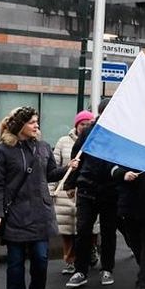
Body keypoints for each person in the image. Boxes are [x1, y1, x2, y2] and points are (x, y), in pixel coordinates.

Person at [0, 107, 66, 289]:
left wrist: (69, 169)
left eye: (37, 122)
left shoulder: (43, 148)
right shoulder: (3, 150)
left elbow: (50, 175)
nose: (37, 126)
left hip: (41, 214)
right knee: (15, 264)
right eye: (32, 122)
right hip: (15, 217)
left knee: (40, 259)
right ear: (20, 125)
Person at [67, 124, 120, 289]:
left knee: (108, 231)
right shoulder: (90, 131)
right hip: (87, 188)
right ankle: (80, 270)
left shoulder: (119, 132)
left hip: (109, 190)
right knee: (82, 230)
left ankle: (107, 268)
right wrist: (70, 182)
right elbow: (77, 157)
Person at [52, 112, 92, 273]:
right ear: (76, 125)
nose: (85, 127)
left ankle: (88, 254)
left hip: (84, 192)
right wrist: (52, 190)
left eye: (88, 124)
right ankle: (69, 259)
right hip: (64, 195)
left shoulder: (93, 142)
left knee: (85, 229)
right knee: (67, 231)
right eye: (82, 123)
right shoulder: (63, 141)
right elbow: (54, 166)